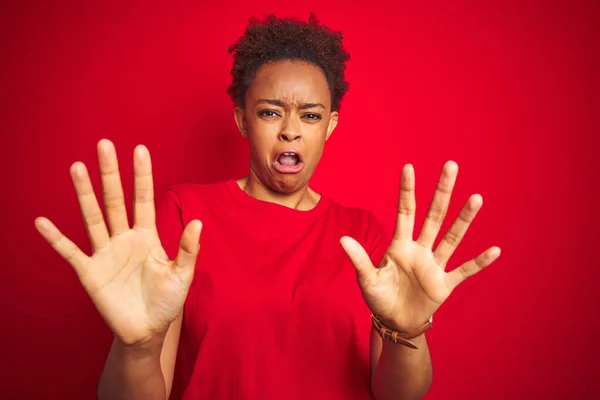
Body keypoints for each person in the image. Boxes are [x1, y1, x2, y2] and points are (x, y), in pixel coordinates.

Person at [34, 13, 501, 400]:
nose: (291, 131)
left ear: (330, 126)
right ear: (242, 119)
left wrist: (410, 334)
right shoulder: (186, 214)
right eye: (270, 111)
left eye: (311, 115)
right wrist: (135, 349)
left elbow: (399, 395)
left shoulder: (366, 236)